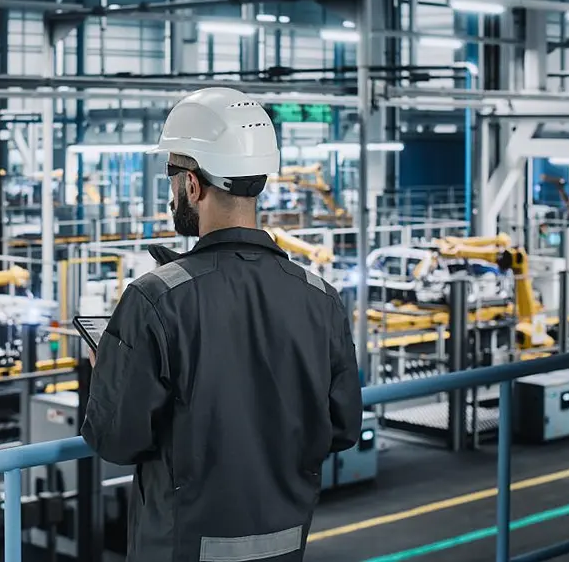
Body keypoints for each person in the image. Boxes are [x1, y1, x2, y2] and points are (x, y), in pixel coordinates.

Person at [81, 87, 363, 562]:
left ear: (193, 184)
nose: (172, 191)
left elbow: (115, 438)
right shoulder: (321, 298)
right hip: (284, 545)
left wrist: (107, 370)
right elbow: (343, 428)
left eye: (172, 174)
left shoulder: (156, 300)